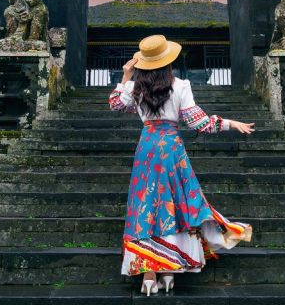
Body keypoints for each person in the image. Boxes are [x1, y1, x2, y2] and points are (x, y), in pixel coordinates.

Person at [109, 34, 254, 296]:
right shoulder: (180, 86)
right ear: (168, 61)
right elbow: (200, 123)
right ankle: (168, 272)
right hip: (172, 150)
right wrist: (231, 123)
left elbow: (115, 104)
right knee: (174, 204)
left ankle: (148, 274)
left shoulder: (135, 88)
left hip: (147, 150)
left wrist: (126, 76)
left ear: (142, 63)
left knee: (145, 205)